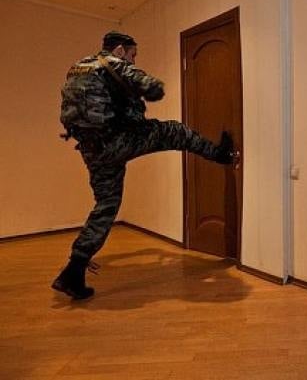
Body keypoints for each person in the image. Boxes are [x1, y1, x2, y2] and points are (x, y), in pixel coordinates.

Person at [52, 31, 240, 300]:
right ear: (119, 50)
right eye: (133, 55)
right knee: (175, 131)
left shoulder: (79, 66)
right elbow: (153, 88)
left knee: (106, 205)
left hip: (92, 150)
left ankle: (73, 272)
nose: (133, 60)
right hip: (119, 140)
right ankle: (221, 154)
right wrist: (143, 85)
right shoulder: (114, 64)